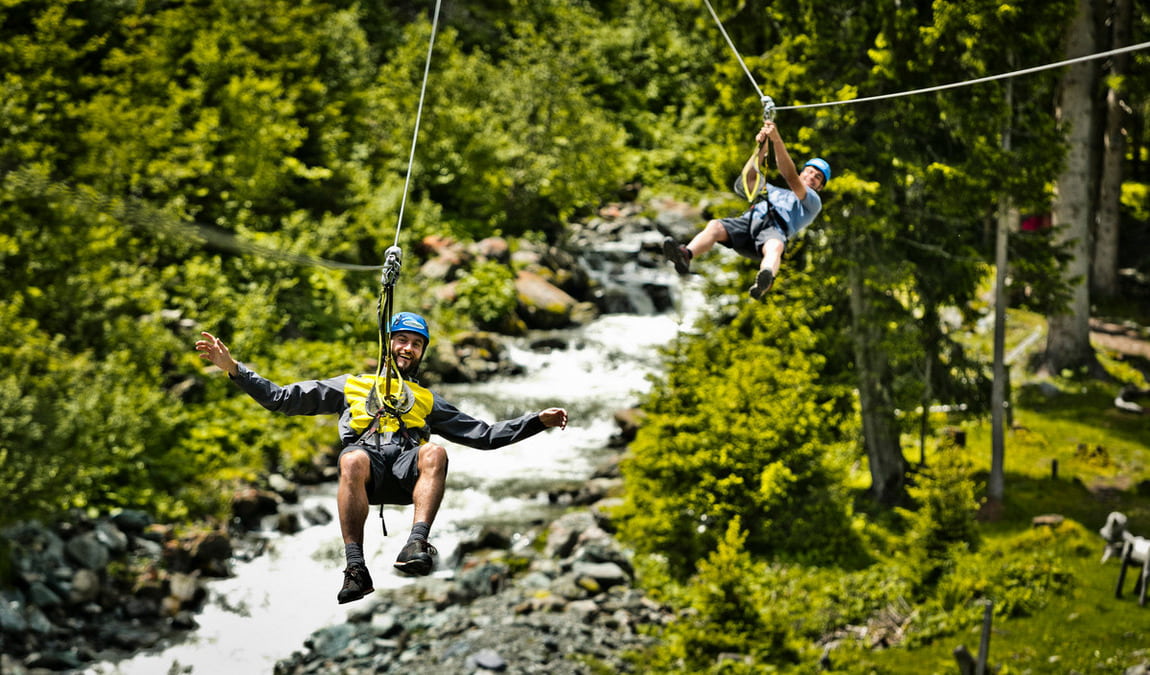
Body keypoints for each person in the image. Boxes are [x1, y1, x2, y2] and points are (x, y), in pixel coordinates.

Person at [195, 312, 568, 604]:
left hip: (407, 475)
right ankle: (355, 568)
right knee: (352, 459)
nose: (407, 348)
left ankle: (416, 543)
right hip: (366, 472)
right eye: (401, 340)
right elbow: (282, 399)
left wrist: (535, 421)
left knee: (435, 450)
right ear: (387, 343)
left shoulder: (427, 400)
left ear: (422, 352)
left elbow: (484, 436)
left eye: (416, 344)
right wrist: (235, 370)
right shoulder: (351, 386)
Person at [663, 120, 830, 300]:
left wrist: (777, 140)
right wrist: (761, 148)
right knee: (715, 226)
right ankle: (686, 255)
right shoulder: (773, 190)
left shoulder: (812, 202)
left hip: (772, 232)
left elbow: (789, 176)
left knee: (776, 246)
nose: (811, 177)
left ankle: (765, 279)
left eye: (817, 177)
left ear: (820, 187)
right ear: (802, 172)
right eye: (809, 171)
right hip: (748, 224)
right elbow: (748, 180)